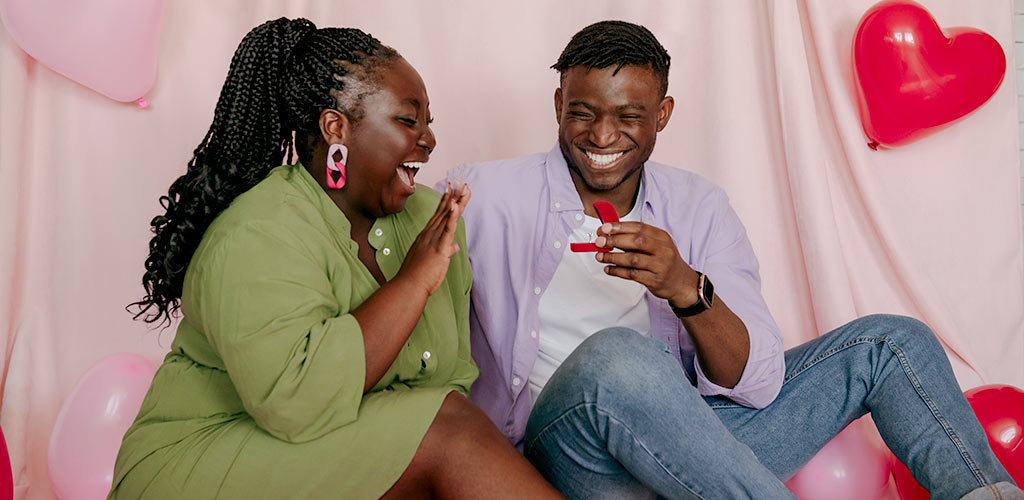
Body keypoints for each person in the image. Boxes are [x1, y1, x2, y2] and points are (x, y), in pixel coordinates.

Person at [439, 20, 1023, 500]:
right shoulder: (482, 194)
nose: (603, 135)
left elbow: (757, 382)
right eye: (583, 112)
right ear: (559, 103)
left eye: (629, 117)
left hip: (693, 452)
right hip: (565, 458)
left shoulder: (698, 206)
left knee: (893, 342)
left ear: (663, 114)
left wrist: (687, 288)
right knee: (617, 357)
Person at [112, 18, 563, 500]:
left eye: (429, 122)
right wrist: (412, 283)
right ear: (336, 128)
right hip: (201, 457)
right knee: (448, 432)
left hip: (331, 447)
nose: (428, 139)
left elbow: (446, 377)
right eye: (408, 120)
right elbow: (296, 404)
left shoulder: (428, 218)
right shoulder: (259, 231)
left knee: (446, 420)